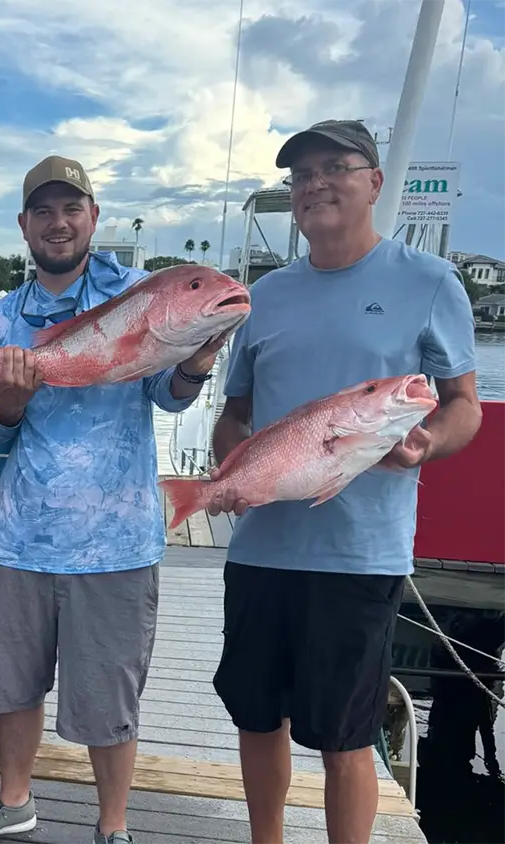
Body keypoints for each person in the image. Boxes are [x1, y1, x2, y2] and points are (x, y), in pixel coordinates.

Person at [208, 119, 482, 844]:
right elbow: (233, 416)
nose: (316, 184)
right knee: (256, 715)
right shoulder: (264, 296)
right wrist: (228, 474)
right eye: (301, 175)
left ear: (374, 182)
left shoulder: (430, 282)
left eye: (335, 166)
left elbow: (464, 407)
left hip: (359, 555)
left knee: (346, 733)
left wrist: (425, 446)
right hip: (262, 548)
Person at [0, 156, 228, 844]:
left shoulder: (142, 294)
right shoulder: (2, 319)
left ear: (93, 217)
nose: (58, 222)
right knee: (11, 685)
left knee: (110, 695)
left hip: (118, 538)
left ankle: (113, 826)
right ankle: (14, 803)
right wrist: (3, 403)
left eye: (71, 208)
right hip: (22, 535)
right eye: (43, 210)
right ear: (24, 226)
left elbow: (164, 394)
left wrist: (194, 362)